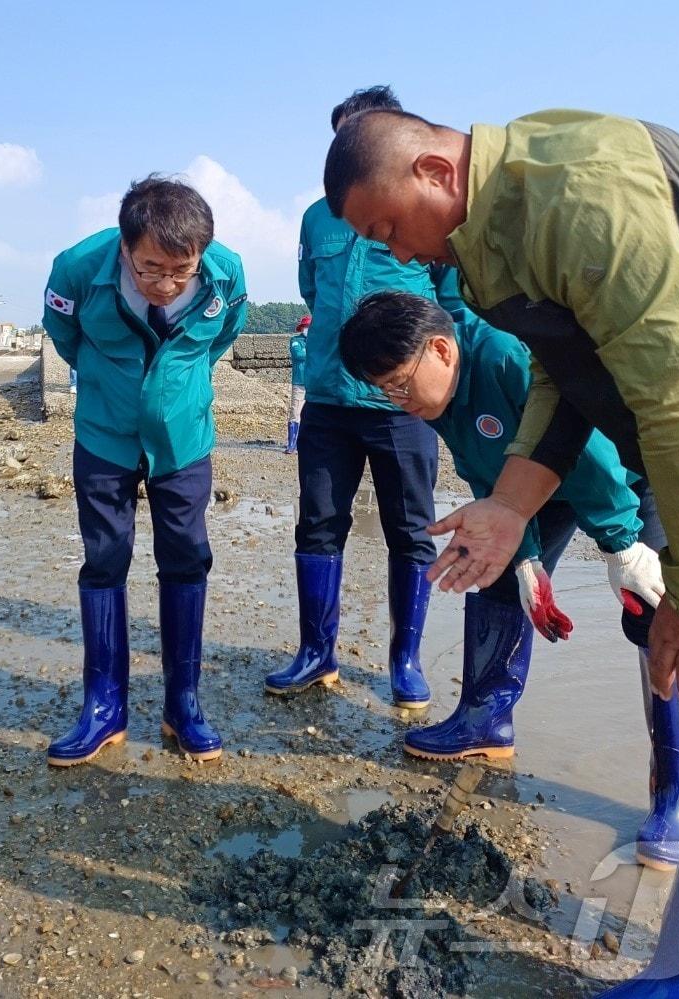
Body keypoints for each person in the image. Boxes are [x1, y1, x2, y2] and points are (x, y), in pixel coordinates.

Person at [324, 106, 679, 994]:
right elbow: (571, 371)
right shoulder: (498, 235)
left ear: (438, 173)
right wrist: (512, 509)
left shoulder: (579, 198)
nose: (397, 255)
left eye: (389, 228)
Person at [340, 286, 679, 871]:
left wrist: (620, 544)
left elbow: (593, 455)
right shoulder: (436, 401)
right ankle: (486, 718)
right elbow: (487, 476)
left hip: (627, 475)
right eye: (382, 391)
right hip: (532, 485)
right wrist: (524, 558)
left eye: (400, 382)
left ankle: (676, 786)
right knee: (492, 568)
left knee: (655, 613)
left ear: (441, 349)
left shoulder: (504, 354)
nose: (397, 400)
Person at [42, 176, 247, 767]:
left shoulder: (226, 274)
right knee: (104, 558)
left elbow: (220, 338)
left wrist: (172, 388)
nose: (166, 285)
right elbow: (65, 336)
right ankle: (104, 706)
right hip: (104, 434)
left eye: (181, 271)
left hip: (182, 438)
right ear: (125, 246)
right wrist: (117, 382)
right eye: (150, 268)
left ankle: (183, 703)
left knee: (186, 555)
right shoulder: (78, 269)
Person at [268, 86, 440, 710]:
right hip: (330, 403)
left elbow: (453, 301)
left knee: (411, 532)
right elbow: (313, 291)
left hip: (403, 407)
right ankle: (316, 653)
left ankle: (406, 660)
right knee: (317, 526)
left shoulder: (426, 212)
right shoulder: (318, 217)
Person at [284, 315, 309, 454]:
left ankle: (304, 442)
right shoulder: (295, 340)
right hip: (299, 382)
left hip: (313, 383)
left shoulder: (318, 342)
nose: (307, 329)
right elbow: (298, 355)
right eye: (306, 327)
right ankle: (292, 443)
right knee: (295, 412)